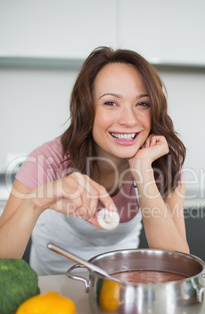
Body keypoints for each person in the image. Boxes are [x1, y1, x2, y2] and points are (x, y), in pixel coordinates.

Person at [0, 47, 189, 275]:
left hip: (116, 287)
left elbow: (179, 264)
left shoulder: (162, 162)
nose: (129, 120)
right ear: (86, 109)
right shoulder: (48, 159)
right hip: (53, 290)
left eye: (142, 104)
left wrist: (142, 171)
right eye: (110, 103)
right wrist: (34, 202)